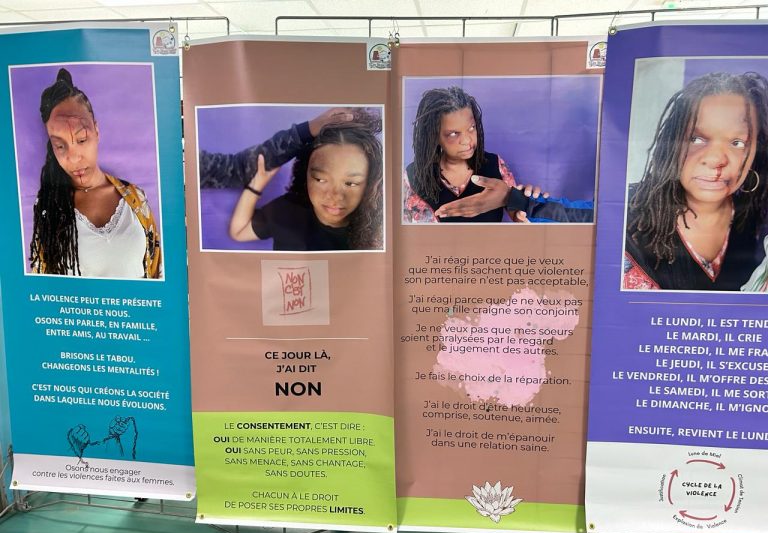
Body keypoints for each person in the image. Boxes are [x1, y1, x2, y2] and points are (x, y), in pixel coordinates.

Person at [623, 71, 768, 291]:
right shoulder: (623, 213)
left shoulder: (759, 222)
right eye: (696, 139)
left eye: (738, 143)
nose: (716, 160)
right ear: (672, 142)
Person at [30, 68, 161, 278]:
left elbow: (158, 273)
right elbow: (40, 284)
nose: (74, 158)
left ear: (96, 131)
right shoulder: (49, 206)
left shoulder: (135, 198)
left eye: (82, 139)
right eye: (60, 146)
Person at [199, 108, 383, 251]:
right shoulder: (287, 211)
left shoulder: (378, 230)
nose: (334, 196)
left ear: (370, 182)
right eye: (320, 179)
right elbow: (238, 232)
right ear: (305, 173)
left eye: (351, 183)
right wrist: (256, 186)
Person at [403, 86, 594, 223]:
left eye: (471, 128)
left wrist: (527, 206)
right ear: (434, 136)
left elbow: (517, 215)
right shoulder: (413, 176)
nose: (467, 140)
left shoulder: (495, 164)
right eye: (454, 134)